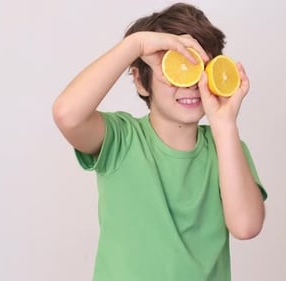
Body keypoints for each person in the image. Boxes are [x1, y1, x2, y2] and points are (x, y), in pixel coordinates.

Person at [52, 2, 268, 281]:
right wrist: (136, 45)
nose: (190, 83)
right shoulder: (122, 139)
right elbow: (67, 115)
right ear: (141, 81)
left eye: (201, 68)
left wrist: (225, 124)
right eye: (177, 68)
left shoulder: (226, 148)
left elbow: (246, 226)